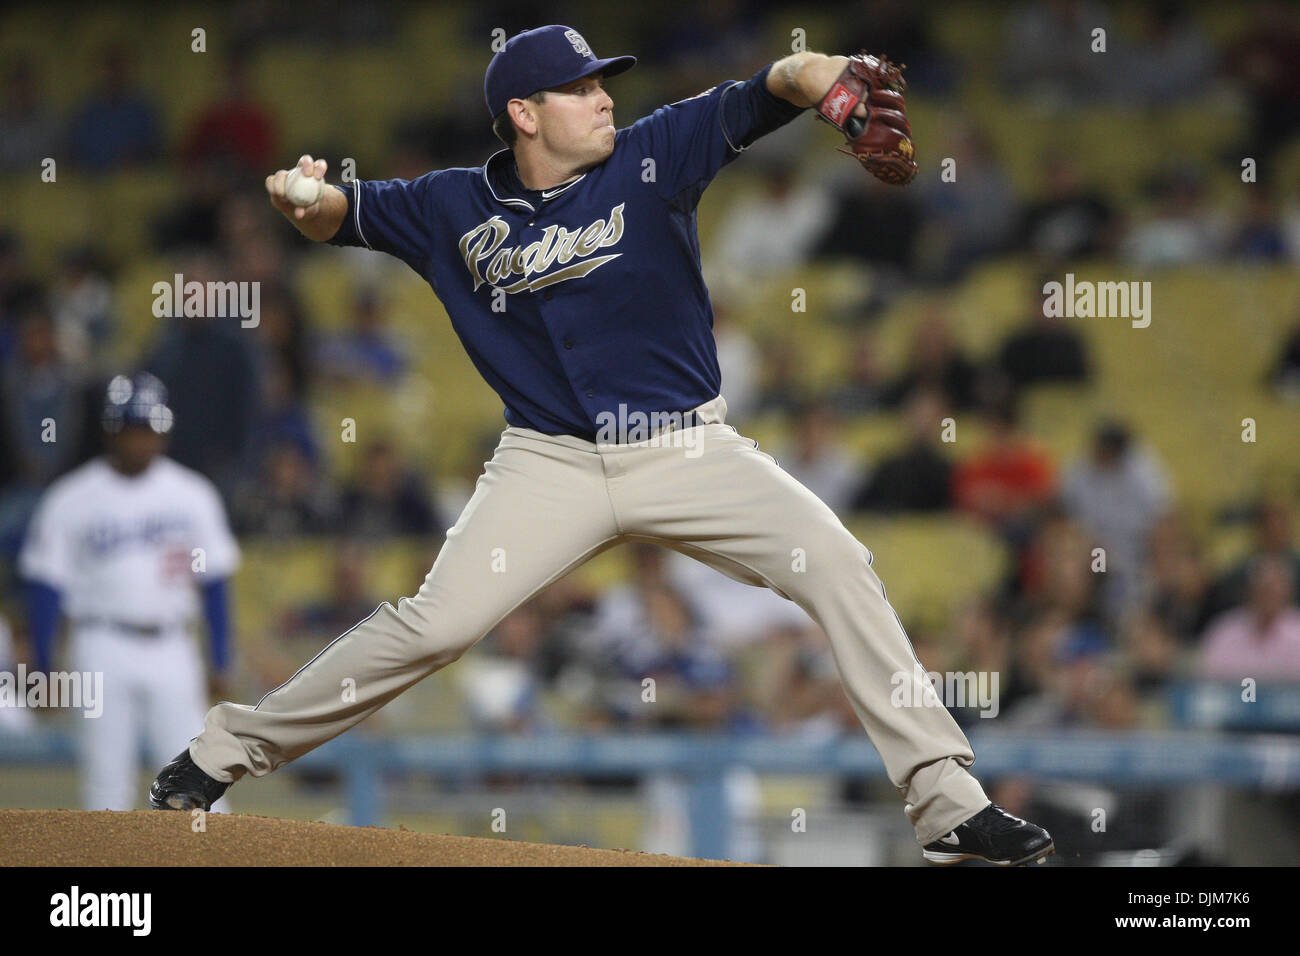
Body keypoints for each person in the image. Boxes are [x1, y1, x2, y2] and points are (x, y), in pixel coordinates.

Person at [149, 25, 1053, 866]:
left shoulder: (659, 150)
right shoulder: (450, 203)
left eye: (601, 83)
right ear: (524, 113)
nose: (604, 99)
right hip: (549, 461)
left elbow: (782, 77)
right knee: (438, 624)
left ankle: (948, 806)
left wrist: (838, 94)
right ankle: (216, 757)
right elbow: (336, 216)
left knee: (838, 563)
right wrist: (302, 196)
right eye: (580, 88)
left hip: (687, 449)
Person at [19, 373, 240, 811]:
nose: (143, 438)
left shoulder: (192, 494)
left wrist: (219, 655)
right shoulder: (72, 497)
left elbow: (214, 582)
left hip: (172, 645)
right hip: (100, 643)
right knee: (106, 788)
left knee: (198, 782)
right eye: (133, 428)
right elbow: (45, 586)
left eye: (150, 428)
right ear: (111, 431)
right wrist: (43, 663)